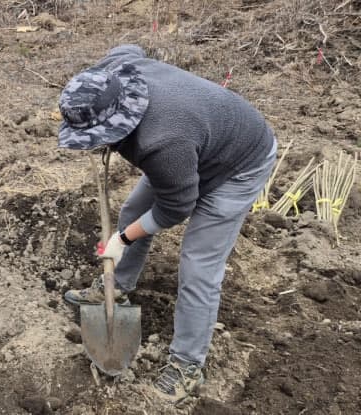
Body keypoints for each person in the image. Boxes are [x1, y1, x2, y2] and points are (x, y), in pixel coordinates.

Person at [59, 44, 277, 404]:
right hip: (200, 140)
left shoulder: (161, 142)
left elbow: (176, 207)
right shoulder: (115, 69)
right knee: (133, 209)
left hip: (240, 162)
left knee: (198, 267)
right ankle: (118, 285)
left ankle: (188, 365)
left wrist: (123, 239)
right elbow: (131, 46)